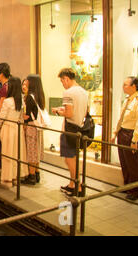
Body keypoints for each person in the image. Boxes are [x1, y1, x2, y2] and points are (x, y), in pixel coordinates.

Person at [51, 68, 88, 197]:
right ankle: (73, 184)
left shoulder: (68, 92)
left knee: (69, 160)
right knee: (74, 159)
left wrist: (58, 111)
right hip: (80, 129)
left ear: (66, 78)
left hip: (70, 129)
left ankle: (76, 186)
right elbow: (82, 110)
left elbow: (69, 113)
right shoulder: (84, 92)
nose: (62, 83)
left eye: (62, 81)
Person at [111, 76, 138, 201]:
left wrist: (135, 140)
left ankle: (136, 190)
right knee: (124, 161)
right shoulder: (128, 100)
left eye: (125, 85)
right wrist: (115, 132)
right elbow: (121, 118)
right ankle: (128, 185)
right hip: (123, 133)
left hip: (132, 135)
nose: (123, 87)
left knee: (133, 163)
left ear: (133, 86)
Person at [0, 76, 28, 187]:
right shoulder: (21, 100)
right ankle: (15, 178)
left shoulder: (8, 101)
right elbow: (21, 118)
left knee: (7, 155)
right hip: (17, 129)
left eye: (8, 85)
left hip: (8, 128)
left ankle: (7, 180)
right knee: (16, 154)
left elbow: (1, 117)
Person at [21, 75, 46, 185]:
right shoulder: (40, 95)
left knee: (31, 151)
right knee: (36, 150)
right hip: (38, 127)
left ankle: (31, 176)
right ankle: (36, 173)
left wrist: (24, 120)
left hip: (31, 126)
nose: (26, 81)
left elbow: (28, 115)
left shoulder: (30, 97)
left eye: (28, 80)